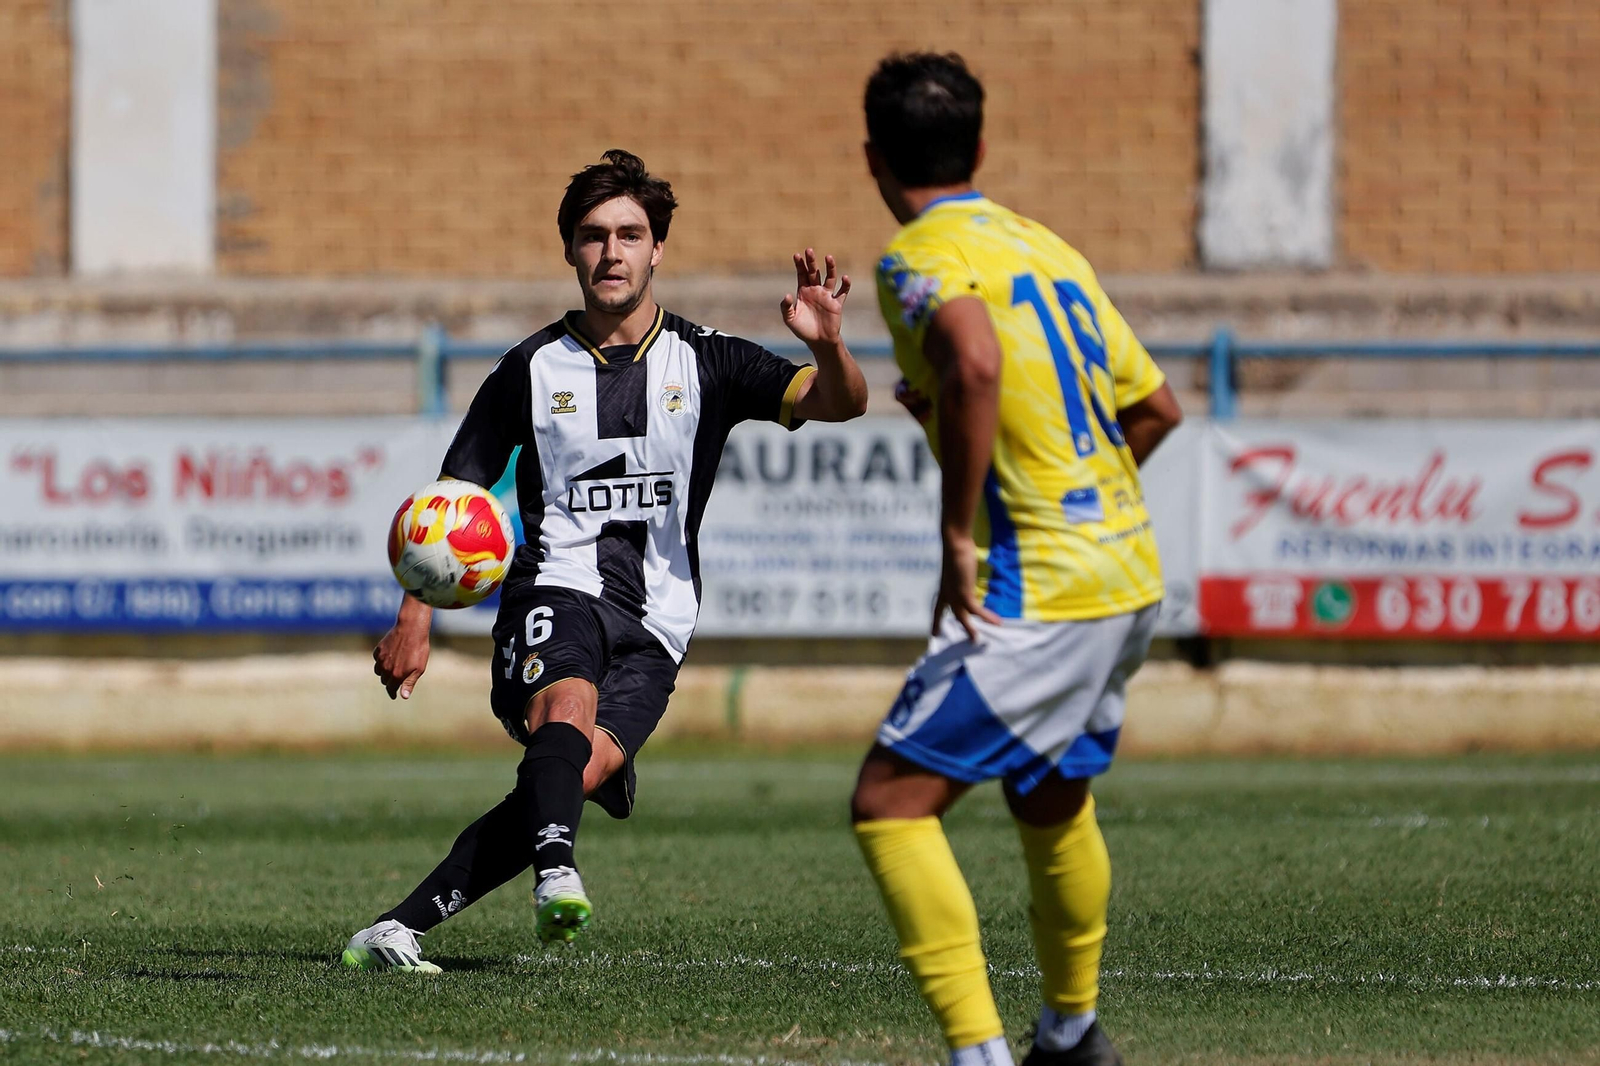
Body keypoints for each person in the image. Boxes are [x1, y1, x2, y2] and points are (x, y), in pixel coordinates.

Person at [344, 149, 867, 971]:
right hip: (557, 585)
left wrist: (829, 346)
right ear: (570, 252)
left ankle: (399, 926)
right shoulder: (528, 369)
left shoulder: (709, 360)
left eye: (630, 234)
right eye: (593, 236)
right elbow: (453, 496)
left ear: (658, 249)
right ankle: (558, 872)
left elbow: (836, 404)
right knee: (565, 712)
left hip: (660, 615)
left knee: (566, 778)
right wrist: (416, 615)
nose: (612, 252)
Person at [851, 55, 1184, 1066]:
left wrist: (962, 533)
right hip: (1125, 570)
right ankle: (1070, 1034)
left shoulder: (916, 257)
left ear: (872, 159)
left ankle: (979, 1056)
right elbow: (1156, 409)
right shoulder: (1048, 249)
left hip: (1040, 586)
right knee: (1047, 795)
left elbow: (976, 360)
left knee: (889, 801)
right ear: (981, 149)